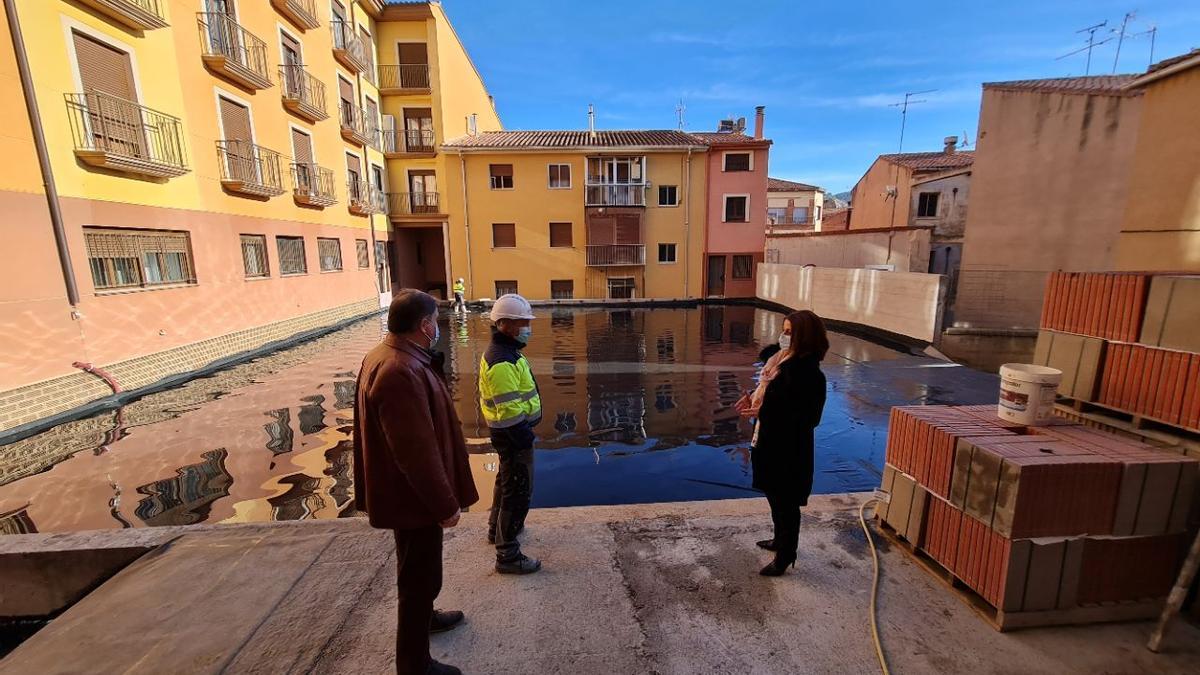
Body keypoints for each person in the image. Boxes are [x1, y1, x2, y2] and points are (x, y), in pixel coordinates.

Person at [353, 289, 480, 675]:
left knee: (419, 569)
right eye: (435, 323)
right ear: (424, 326)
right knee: (418, 577)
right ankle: (414, 664)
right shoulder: (399, 371)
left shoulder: (389, 356)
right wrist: (444, 504)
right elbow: (414, 451)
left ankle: (427, 617)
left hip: (404, 494)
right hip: (413, 498)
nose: (438, 329)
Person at [735, 310, 829, 577]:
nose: (783, 336)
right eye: (783, 330)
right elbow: (770, 396)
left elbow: (809, 418)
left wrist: (764, 412)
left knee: (786, 501)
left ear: (804, 337)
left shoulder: (809, 374)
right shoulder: (778, 363)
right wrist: (753, 399)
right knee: (773, 494)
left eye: (789, 332)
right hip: (768, 440)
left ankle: (786, 554)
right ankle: (779, 540)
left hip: (788, 449)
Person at [479, 293, 543, 574]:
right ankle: (507, 554)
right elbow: (509, 411)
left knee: (505, 482)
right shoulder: (502, 361)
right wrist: (525, 440)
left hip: (509, 435)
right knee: (516, 492)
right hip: (514, 436)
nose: (528, 327)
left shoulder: (506, 353)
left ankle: (496, 530)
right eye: (523, 323)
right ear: (504, 324)